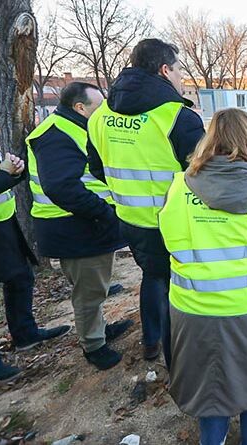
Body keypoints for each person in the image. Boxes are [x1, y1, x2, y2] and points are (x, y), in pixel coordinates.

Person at [158, 108, 247, 445]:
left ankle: (214, 439)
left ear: (209, 140)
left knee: (209, 379)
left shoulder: (178, 187)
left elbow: (167, 235)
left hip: (193, 309)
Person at [88, 38, 205, 364]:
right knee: (176, 287)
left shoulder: (100, 116)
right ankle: (176, 359)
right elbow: (206, 176)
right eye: (179, 69)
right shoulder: (177, 117)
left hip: (129, 218)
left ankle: (151, 341)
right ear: (164, 69)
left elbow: (97, 167)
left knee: (152, 277)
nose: (181, 76)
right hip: (172, 222)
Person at [26, 82, 133, 370]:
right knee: (89, 292)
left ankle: (97, 329)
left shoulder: (72, 127)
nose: (105, 112)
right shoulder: (55, 135)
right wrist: (103, 213)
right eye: (99, 107)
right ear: (80, 108)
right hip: (74, 228)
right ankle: (93, 345)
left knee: (93, 288)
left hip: (82, 226)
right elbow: (61, 187)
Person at [0, 152, 71, 381]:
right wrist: (4, 173)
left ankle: (26, 334)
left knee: (20, 278)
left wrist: (14, 172)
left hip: (2, 223)